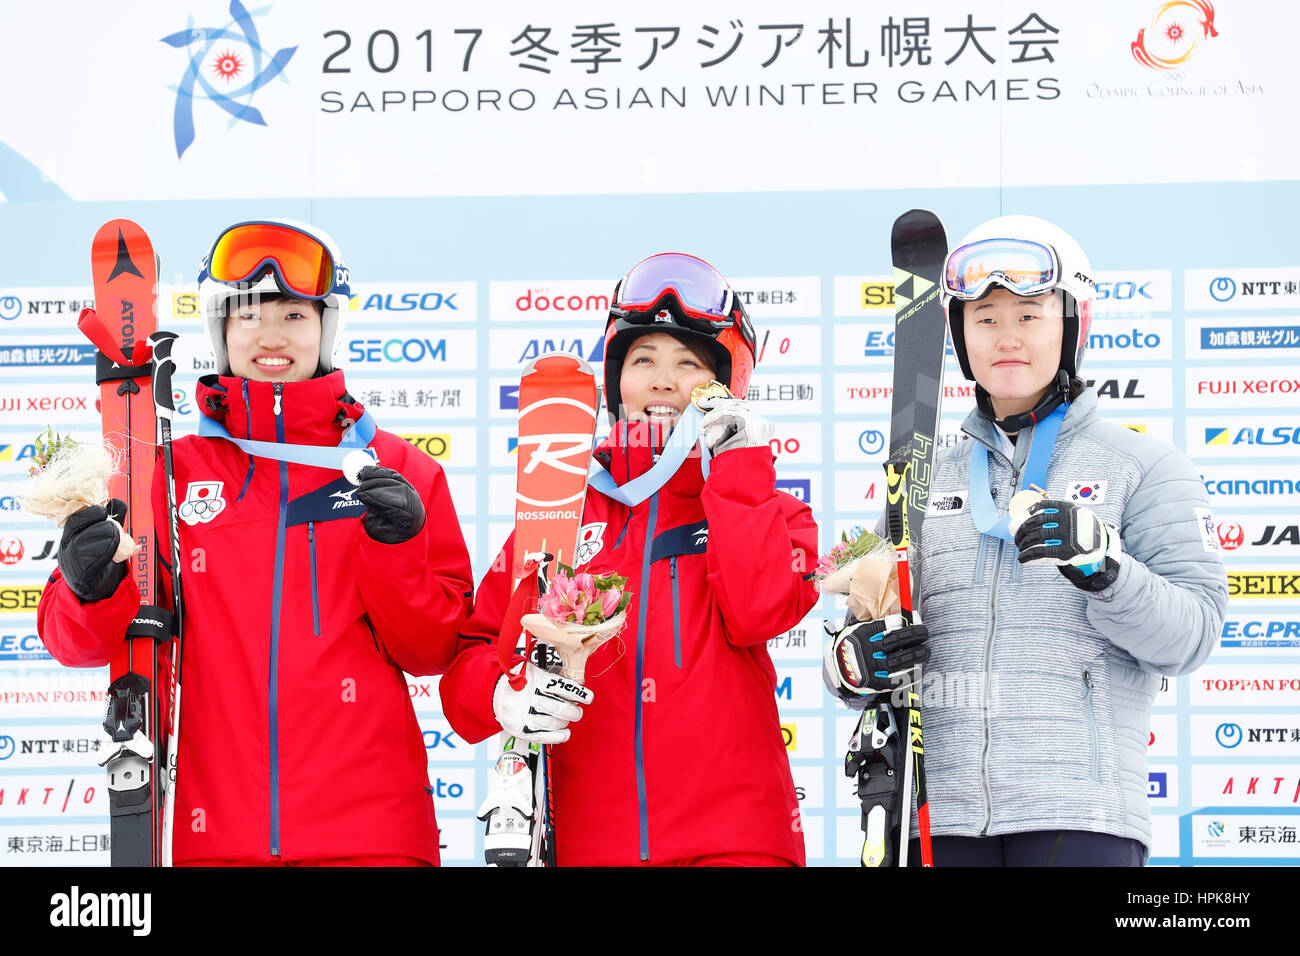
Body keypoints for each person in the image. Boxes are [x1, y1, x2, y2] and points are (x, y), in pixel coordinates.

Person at [38, 219, 473, 866]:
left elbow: (436, 649)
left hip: (373, 835)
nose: (272, 335)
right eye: (248, 315)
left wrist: (396, 552)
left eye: (296, 314)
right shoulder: (167, 471)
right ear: (220, 331)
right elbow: (77, 643)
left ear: (327, 329)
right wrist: (88, 585)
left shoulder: (398, 472)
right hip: (215, 835)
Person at [824, 215, 1227, 866]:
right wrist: (850, 665)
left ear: (1072, 324)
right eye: (985, 318)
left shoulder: (1144, 467)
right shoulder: (920, 477)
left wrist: (1106, 568)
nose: (1007, 337)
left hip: (1081, 815)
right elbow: (863, 638)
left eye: (1030, 315)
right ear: (957, 334)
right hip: (937, 816)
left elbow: (1191, 637)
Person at [440, 252, 818, 866]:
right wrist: (503, 696)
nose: (663, 381)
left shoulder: (769, 505)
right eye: (643, 360)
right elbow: (470, 664)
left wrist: (738, 469)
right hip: (593, 844)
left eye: (689, 363)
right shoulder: (559, 510)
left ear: (726, 384)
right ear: (616, 380)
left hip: (737, 843)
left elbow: (759, 611)